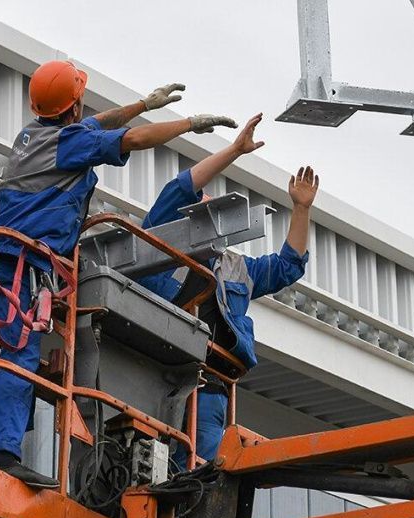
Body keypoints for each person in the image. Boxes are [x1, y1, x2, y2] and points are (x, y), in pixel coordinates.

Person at [0, 59, 237, 488]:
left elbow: (99, 124)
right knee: (22, 353)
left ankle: (1, 445)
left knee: (21, 349)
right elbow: (130, 139)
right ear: (74, 103)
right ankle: (2, 452)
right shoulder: (68, 144)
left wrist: (142, 103)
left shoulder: (32, 135)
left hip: (12, 258)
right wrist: (187, 124)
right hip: (27, 261)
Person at [136, 113, 320, 469]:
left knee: (199, 474)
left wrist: (300, 209)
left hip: (209, 387)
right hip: (154, 376)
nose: (208, 215)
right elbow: (182, 186)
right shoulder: (157, 245)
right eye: (200, 207)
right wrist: (235, 150)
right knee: (148, 466)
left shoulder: (235, 268)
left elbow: (287, 266)